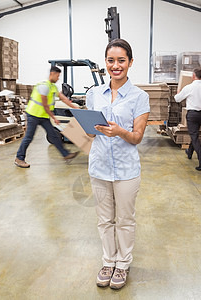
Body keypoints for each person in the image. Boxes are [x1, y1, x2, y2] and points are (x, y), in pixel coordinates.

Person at [86, 39, 150, 290]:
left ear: (130, 63)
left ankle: (122, 264)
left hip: (125, 170)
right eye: (111, 60)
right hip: (99, 166)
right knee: (104, 220)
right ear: (105, 63)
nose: (116, 65)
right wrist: (87, 127)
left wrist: (118, 131)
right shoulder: (94, 94)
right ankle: (108, 262)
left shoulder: (139, 97)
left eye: (121, 60)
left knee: (124, 219)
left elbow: (137, 137)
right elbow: (90, 134)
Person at [14, 66, 79, 168]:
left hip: (43, 116)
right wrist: (54, 117)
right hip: (33, 115)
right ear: (52, 74)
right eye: (57, 76)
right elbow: (45, 105)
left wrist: (75, 107)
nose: (58, 78)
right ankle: (19, 158)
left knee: (53, 135)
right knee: (28, 138)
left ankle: (66, 155)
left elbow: (63, 99)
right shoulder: (44, 86)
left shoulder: (53, 87)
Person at [174, 68, 201, 171]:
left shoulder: (189, 87)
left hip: (192, 115)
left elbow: (177, 99)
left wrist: (178, 92)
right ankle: (189, 152)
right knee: (195, 135)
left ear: (193, 76)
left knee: (194, 137)